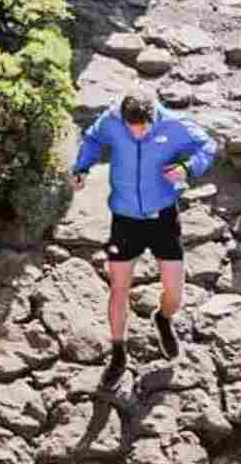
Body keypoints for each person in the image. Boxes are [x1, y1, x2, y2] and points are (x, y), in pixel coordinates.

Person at [71, 89, 218, 383]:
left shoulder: (174, 124)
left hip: (163, 217)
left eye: (143, 130)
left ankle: (162, 318)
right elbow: (92, 138)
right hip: (125, 221)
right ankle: (118, 353)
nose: (137, 135)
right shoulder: (112, 121)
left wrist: (187, 167)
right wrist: (82, 167)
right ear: (123, 120)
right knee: (118, 289)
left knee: (175, 295)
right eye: (131, 130)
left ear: (153, 118)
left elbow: (208, 146)